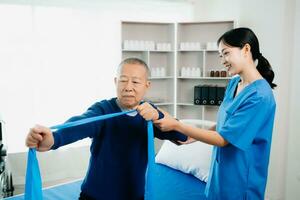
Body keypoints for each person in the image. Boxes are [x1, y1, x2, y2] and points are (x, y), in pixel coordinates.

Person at [25, 57, 187, 200]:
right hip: (94, 196)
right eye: (123, 80)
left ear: (147, 85)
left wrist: (158, 116)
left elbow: (181, 135)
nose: (128, 87)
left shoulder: (150, 113)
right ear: (116, 82)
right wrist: (53, 139)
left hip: (134, 196)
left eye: (136, 82)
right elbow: (81, 123)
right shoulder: (103, 109)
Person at [152, 28, 276, 199]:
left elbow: (223, 139)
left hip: (241, 183)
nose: (223, 61)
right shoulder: (234, 84)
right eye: (220, 56)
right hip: (219, 175)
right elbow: (225, 125)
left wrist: (177, 124)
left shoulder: (260, 96)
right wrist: (192, 138)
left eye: (226, 53)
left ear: (246, 49)